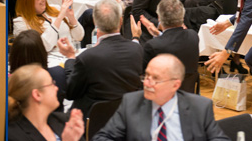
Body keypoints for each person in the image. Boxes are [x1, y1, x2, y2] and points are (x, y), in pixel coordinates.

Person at [93, 54, 229, 141]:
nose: (147, 83)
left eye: (156, 79)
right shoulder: (131, 102)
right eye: (146, 76)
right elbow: (103, 137)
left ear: (175, 85)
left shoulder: (200, 107)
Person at [63, 0, 144, 116]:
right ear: (121, 21)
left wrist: (70, 59)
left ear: (95, 22)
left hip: (94, 121)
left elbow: (71, 93)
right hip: (127, 115)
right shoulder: (137, 49)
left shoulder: (87, 57)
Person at [7, 64, 85, 141]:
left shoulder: (63, 121)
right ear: (37, 95)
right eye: (52, 84)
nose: (56, 88)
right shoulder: (14, 136)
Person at [141, 0, 200, 93]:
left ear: (159, 18)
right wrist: (158, 34)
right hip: (188, 96)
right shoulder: (193, 36)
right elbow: (174, 40)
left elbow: (144, 77)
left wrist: (135, 37)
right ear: (182, 17)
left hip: (161, 97)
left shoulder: (152, 46)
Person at [13, 0, 84, 55]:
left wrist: (71, 17)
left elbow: (79, 37)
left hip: (70, 56)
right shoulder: (21, 23)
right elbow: (44, 46)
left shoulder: (55, 9)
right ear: (27, 1)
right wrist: (59, 18)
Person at [8, 30, 68, 113]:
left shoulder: (9, 85)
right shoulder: (58, 74)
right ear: (42, 52)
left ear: (13, 56)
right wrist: (71, 57)